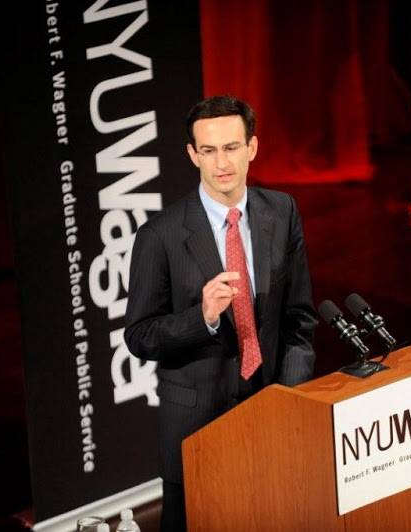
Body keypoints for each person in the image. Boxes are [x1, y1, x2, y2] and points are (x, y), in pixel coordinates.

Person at [124, 95, 317, 531]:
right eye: (208, 150)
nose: (221, 163)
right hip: (196, 430)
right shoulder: (160, 235)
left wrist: (290, 399)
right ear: (193, 155)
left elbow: (299, 318)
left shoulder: (282, 211)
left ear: (252, 147)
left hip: (271, 417)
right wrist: (203, 317)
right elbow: (140, 335)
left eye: (231, 147)